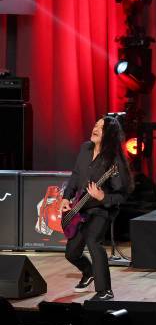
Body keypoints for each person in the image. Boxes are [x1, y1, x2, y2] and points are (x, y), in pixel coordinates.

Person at [61, 116, 133, 301]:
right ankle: (89, 272)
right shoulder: (85, 148)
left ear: (109, 134)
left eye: (101, 128)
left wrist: (103, 197)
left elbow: (122, 194)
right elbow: (76, 176)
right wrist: (65, 198)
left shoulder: (114, 160)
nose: (95, 129)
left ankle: (105, 291)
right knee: (71, 253)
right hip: (80, 207)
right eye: (95, 125)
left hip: (102, 209)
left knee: (93, 241)